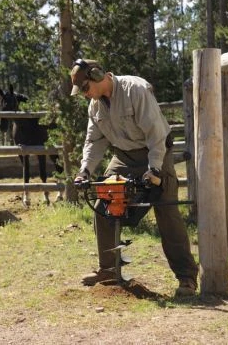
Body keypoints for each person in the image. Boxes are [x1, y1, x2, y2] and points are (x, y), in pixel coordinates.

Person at [70, 58, 198, 296]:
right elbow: (94, 142)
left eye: (86, 88)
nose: (85, 95)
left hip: (155, 151)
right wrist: (84, 171)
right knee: (103, 206)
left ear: (98, 76)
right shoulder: (95, 107)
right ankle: (108, 269)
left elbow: (156, 135)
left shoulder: (135, 90)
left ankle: (186, 277)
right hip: (124, 157)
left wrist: (155, 169)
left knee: (167, 212)